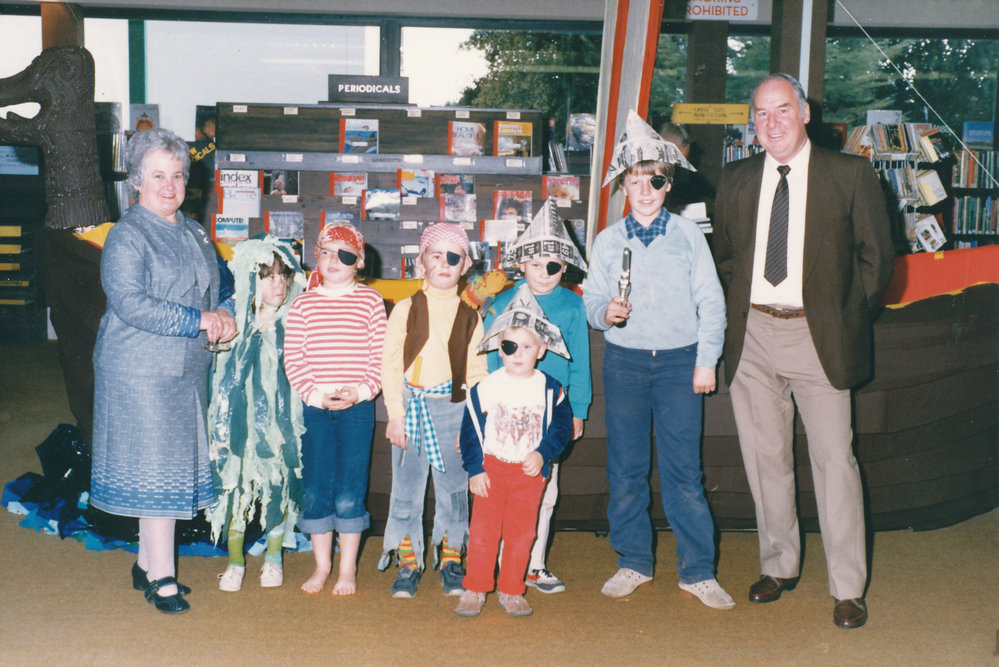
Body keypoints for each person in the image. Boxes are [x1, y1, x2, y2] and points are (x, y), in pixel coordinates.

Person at [712, 73, 894, 629]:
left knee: (834, 462)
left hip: (821, 337)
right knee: (765, 460)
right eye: (761, 114)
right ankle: (779, 565)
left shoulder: (850, 175)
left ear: (805, 111)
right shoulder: (736, 179)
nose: (772, 123)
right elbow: (725, 259)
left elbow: (877, 261)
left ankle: (847, 587)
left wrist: (841, 318)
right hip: (755, 338)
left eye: (782, 110)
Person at [583, 110, 734, 610]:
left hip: (678, 363)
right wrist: (608, 312)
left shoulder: (689, 236)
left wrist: (706, 360)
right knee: (626, 467)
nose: (644, 189)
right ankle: (633, 561)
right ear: (623, 184)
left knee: (683, 471)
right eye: (634, 180)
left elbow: (711, 301)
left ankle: (697, 570)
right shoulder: (607, 241)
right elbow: (591, 305)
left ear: (668, 184)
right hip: (624, 364)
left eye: (655, 180)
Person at [90, 127, 236, 614]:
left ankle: (144, 562)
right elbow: (131, 304)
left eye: (176, 174)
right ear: (136, 181)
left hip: (185, 368)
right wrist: (201, 320)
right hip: (139, 368)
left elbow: (219, 285)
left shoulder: (193, 229)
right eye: (158, 175)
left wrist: (228, 309)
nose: (169, 185)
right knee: (158, 471)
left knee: (168, 468)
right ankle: (162, 576)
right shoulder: (127, 235)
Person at [483, 198, 591, 594]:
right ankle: (496, 562)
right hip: (505, 411)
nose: (544, 274)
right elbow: (490, 359)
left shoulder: (573, 304)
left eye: (553, 266)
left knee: (544, 491)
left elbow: (579, 361)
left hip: (551, 412)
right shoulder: (501, 302)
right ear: (521, 264)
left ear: (564, 267)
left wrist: (577, 409)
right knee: (500, 490)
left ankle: (534, 563)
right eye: (535, 264)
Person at [379, 222, 488, 598]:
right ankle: (407, 559)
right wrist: (395, 414)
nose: (444, 263)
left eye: (453, 257)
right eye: (436, 255)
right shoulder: (406, 309)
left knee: (454, 488)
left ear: (465, 265)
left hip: (453, 408)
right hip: (410, 406)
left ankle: (452, 554)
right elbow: (390, 365)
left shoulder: (471, 316)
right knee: (407, 487)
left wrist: (474, 427)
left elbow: (477, 374)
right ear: (421, 261)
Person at [455, 286, 574, 617]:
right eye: (509, 347)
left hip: (528, 473)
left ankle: (511, 589)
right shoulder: (488, 386)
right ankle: (475, 587)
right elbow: (471, 431)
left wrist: (543, 453)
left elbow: (561, 429)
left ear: (541, 349)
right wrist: (475, 468)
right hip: (492, 469)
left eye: (526, 346)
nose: (517, 353)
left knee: (522, 535)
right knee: (483, 533)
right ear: (499, 348)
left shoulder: (551, 389)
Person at [283, 222, 387, 596]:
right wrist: (314, 395)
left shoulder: (371, 302)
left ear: (358, 261)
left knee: (349, 489)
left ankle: (347, 569)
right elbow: (294, 358)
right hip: (317, 408)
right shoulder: (303, 304)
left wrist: (360, 391)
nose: (333, 261)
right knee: (317, 489)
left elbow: (379, 357)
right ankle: (322, 565)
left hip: (357, 409)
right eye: (326, 252)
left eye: (343, 254)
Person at [207, 236, 307, 591]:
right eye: (268, 276)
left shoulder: (298, 319)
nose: (277, 284)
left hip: (281, 424)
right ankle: (235, 561)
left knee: (277, 481)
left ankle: (274, 558)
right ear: (252, 279)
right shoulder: (235, 321)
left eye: (283, 276)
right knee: (234, 484)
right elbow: (222, 372)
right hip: (240, 421)